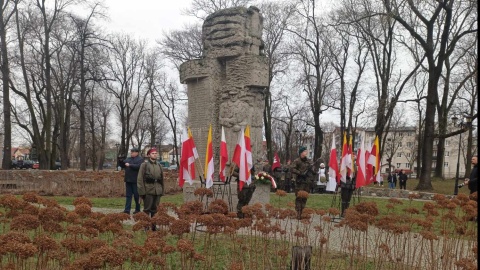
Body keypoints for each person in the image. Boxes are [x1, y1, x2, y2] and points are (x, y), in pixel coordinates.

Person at [137, 148, 164, 230]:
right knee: (147, 209)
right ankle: (145, 226)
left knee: (155, 210)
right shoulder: (144, 165)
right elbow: (140, 178)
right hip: (148, 190)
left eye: (156, 153)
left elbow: (162, 179)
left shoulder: (159, 165)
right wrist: (141, 192)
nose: (155, 154)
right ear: (148, 155)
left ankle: (153, 226)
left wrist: (162, 190)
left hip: (157, 190)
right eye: (153, 153)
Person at [290, 146, 315, 219]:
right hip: (300, 182)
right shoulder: (297, 161)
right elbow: (292, 169)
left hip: (307, 182)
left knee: (305, 197)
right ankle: (298, 213)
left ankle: (303, 212)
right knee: (299, 197)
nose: (306, 152)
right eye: (305, 151)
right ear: (301, 153)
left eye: (306, 151)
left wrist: (313, 170)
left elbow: (313, 171)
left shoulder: (309, 161)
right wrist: (300, 173)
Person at [120, 147, 144, 215]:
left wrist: (130, 165)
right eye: (131, 152)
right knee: (128, 196)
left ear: (137, 153)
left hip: (136, 180)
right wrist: (120, 160)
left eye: (132, 152)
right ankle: (127, 210)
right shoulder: (128, 159)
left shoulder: (140, 159)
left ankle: (137, 209)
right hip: (128, 180)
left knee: (136, 196)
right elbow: (123, 165)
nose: (131, 153)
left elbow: (139, 166)